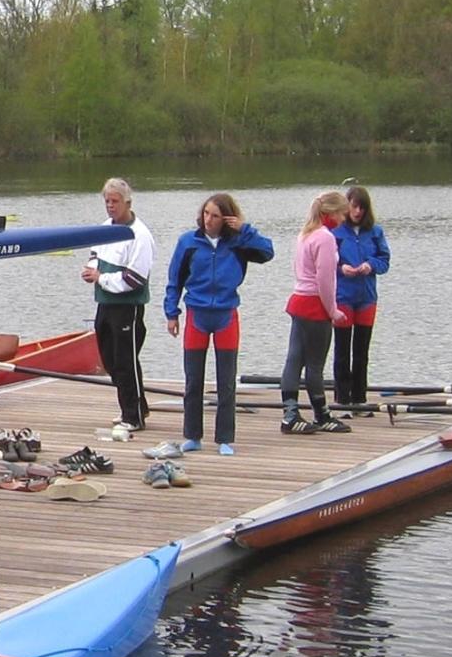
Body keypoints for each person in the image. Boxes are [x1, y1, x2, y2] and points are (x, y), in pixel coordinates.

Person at [159, 193, 274, 458]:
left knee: (226, 382)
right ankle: (192, 436)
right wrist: (172, 313)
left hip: (226, 316)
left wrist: (244, 229)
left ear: (227, 220)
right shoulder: (188, 242)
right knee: (193, 380)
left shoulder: (238, 242)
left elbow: (268, 252)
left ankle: (224, 438)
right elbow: (174, 280)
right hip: (196, 315)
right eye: (206, 213)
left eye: (215, 216)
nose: (208, 219)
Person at [81, 177, 156, 433]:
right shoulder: (105, 228)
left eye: (115, 202)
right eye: (107, 201)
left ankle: (133, 416)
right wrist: (91, 270)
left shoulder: (140, 235)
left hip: (128, 306)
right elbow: (94, 256)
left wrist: (101, 278)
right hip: (105, 303)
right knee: (110, 359)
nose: (110, 206)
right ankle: (138, 405)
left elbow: (134, 279)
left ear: (127, 203)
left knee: (125, 360)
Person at [279, 190, 354, 435]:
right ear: (330, 213)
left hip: (299, 300)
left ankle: (290, 413)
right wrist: (333, 310)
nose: (344, 219)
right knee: (315, 363)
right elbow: (325, 279)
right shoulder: (325, 237)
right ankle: (321, 413)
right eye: (342, 214)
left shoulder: (305, 234)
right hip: (314, 305)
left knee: (294, 359)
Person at [333, 184, 391, 412]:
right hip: (343, 297)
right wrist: (342, 268)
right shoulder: (335, 233)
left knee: (361, 351)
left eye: (361, 208)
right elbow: (327, 262)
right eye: (354, 207)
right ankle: (341, 399)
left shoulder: (375, 232)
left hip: (366, 297)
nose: (357, 212)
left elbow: (384, 261)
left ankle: (359, 399)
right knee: (342, 349)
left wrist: (370, 265)